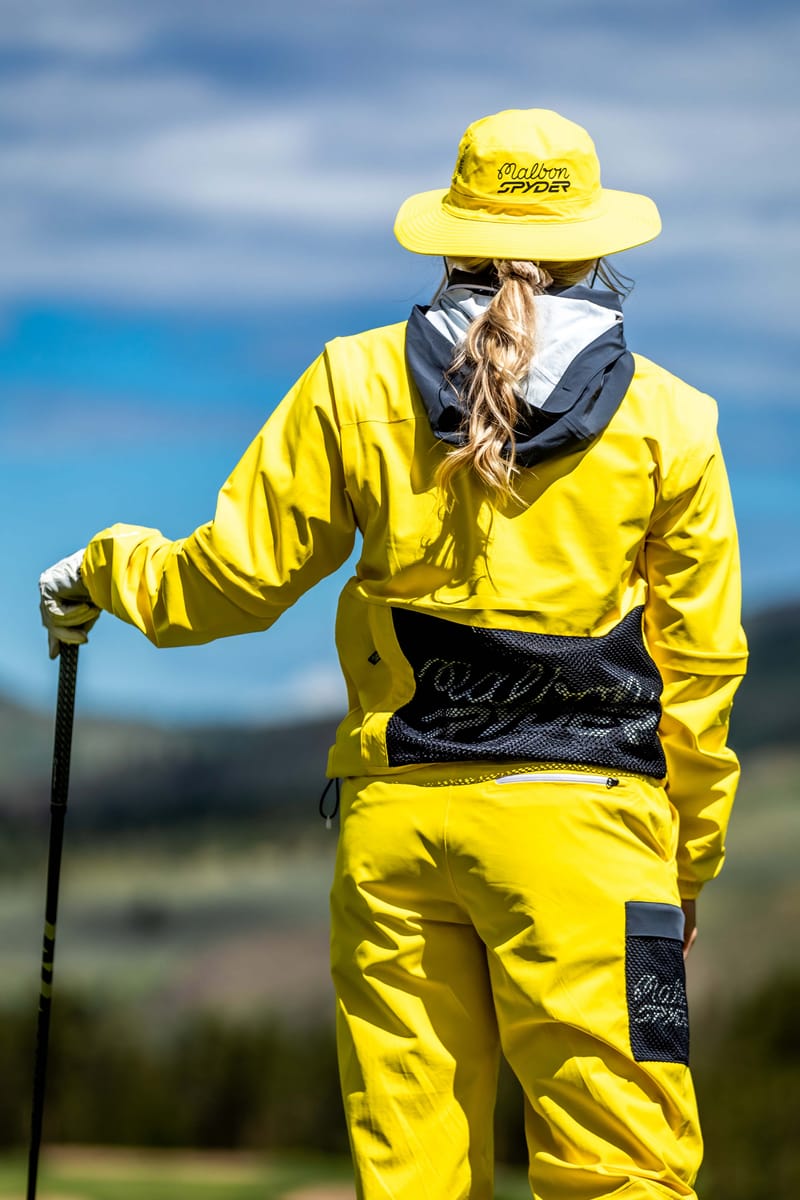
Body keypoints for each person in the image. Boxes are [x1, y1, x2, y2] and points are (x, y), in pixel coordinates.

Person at [39, 108, 747, 1199]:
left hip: (396, 830)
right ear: (594, 244)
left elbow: (223, 587)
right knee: (623, 1172)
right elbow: (698, 677)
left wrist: (104, 567)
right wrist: (685, 858)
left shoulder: (351, 384)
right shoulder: (673, 422)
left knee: (409, 1176)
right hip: (588, 839)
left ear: (451, 231)